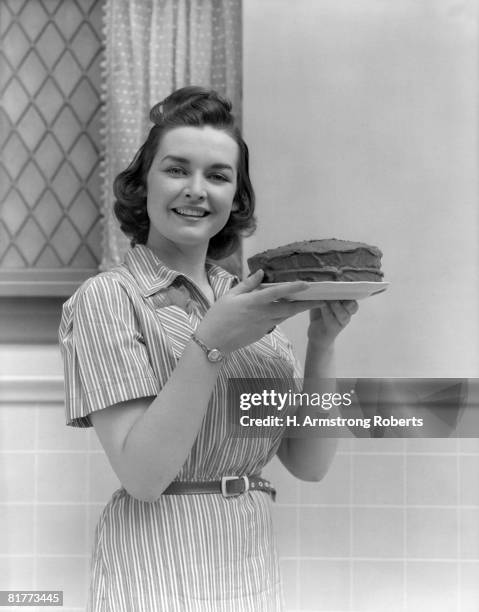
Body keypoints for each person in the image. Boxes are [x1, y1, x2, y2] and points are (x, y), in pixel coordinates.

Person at [59, 86, 358, 612]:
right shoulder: (108, 300)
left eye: (218, 176)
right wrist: (211, 343)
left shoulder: (249, 303)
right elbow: (144, 476)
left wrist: (321, 344)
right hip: (155, 570)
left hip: (251, 566)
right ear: (142, 185)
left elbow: (308, 463)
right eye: (177, 169)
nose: (197, 190)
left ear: (235, 198)